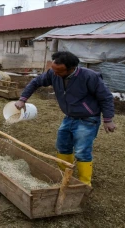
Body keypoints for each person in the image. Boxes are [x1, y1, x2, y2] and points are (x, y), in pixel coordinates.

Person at [15, 51, 116, 186]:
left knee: (82, 151)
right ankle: (65, 178)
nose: (54, 74)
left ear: (72, 69)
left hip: (88, 119)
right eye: (53, 70)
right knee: (62, 147)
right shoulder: (54, 73)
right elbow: (36, 82)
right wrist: (23, 99)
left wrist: (108, 119)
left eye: (59, 71)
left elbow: (106, 97)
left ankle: (84, 184)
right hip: (69, 117)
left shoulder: (90, 77)